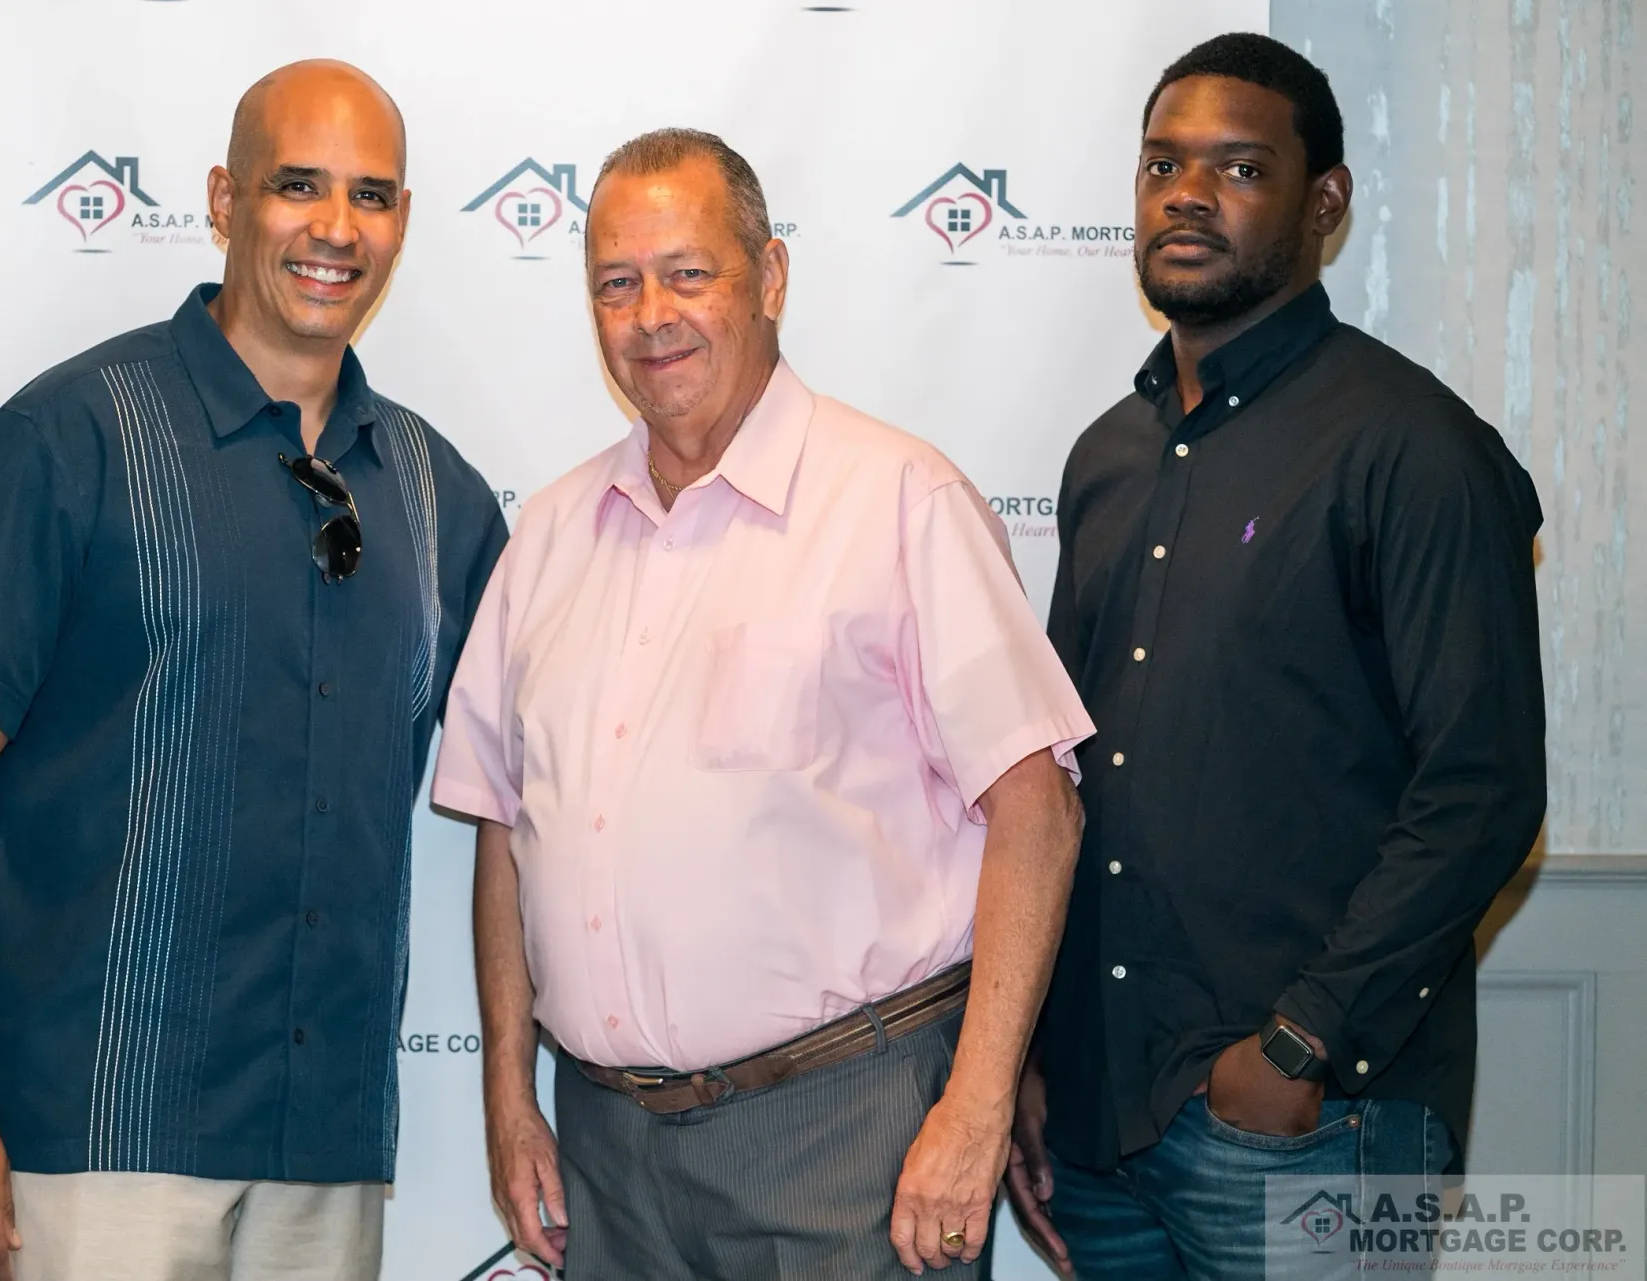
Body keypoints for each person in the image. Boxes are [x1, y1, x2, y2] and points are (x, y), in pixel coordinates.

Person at [431, 127, 1095, 1280]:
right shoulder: (548, 537)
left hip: (853, 1138)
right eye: (617, 284)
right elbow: (505, 828)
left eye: (688, 274)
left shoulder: (899, 500)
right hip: (607, 1159)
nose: (652, 316)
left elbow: (1039, 811)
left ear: (771, 275)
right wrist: (508, 1096)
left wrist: (978, 1108)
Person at [0, 60, 506, 1281]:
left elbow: (536, 784)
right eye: (298, 186)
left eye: (372, 195)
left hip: (326, 1149)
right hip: (88, 1139)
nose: (336, 228)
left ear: (404, 223)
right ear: (225, 199)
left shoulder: (442, 496)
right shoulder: (65, 441)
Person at [1006, 33, 1547, 1280]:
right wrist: (1031, 1051)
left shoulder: (1413, 449)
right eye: (1161, 166)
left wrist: (1302, 1045)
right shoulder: (1107, 458)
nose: (1187, 196)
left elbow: (1481, 792)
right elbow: (1064, 779)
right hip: (1099, 1121)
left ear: (1326, 201)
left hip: (1305, 1124)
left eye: (1239, 168)